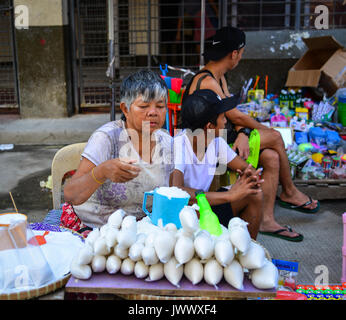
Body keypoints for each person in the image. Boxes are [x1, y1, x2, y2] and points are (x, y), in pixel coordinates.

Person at [182, 25, 320, 242]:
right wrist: (260, 129)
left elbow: (231, 116)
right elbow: (233, 117)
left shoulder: (219, 77)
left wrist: (245, 133)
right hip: (210, 138)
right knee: (275, 137)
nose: (240, 58)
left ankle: (266, 219)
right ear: (234, 53)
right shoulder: (207, 81)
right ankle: (290, 192)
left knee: (270, 156)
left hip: (221, 136)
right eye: (241, 53)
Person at [63, 70, 174, 235]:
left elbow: (172, 191)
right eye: (144, 106)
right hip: (95, 229)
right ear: (126, 109)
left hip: (142, 230)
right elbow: (71, 195)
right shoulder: (107, 138)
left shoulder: (166, 142)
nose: (153, 112)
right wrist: (101, 172)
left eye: (160, 106)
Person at [171, 89, 264, 239]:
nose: (226, 121)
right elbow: (178, 192)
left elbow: (246, 168)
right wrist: (230, 195)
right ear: (209, 126)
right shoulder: (178, 145)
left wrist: (250, 177)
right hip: (185, 216)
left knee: (253, 193)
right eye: (222, 117)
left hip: (205, 207)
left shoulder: (216, 142)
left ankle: (249, 251)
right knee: (193, 211)